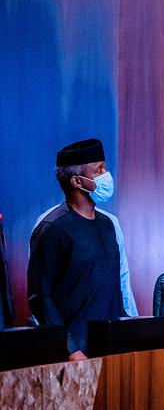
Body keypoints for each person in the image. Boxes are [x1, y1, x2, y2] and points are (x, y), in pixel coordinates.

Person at [28, 138, 128, 360]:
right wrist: (72, 349)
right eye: (98, 170)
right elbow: (40, 298)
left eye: (105, 167)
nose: (106, 175)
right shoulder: (52, 228)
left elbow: (116, 288)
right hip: (75, 355)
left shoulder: (108, 224)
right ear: (77, 181)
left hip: (113, 348)